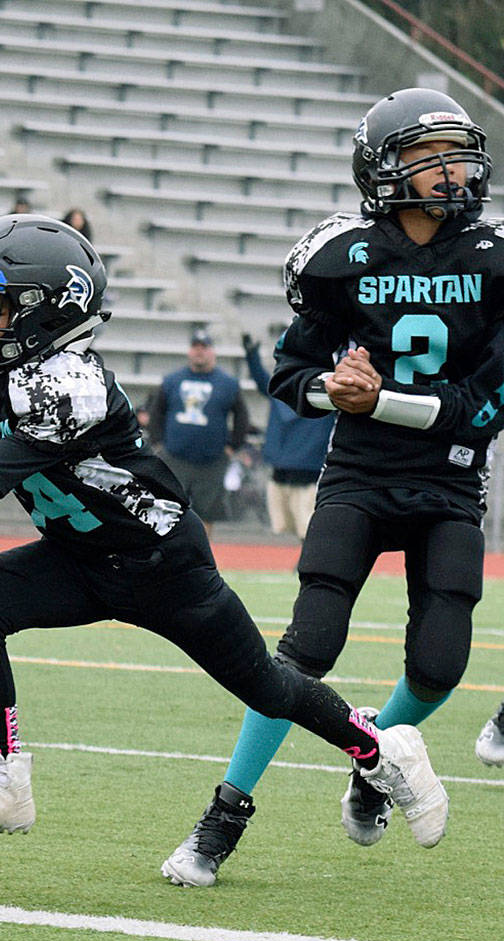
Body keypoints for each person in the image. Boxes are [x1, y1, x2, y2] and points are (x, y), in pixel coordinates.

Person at [0, 212, 446, 856]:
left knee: (268, 690)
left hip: (161, 565)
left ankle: (380, 751)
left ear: (46, 315)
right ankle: (5, 781)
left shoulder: (68, 386)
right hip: (81, 556)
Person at [163, 87, 503, 887]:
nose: (451, 169)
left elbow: (482, 407)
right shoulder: (341, 256)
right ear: (382, 168)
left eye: (456, 152)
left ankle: (372, 762)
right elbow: (290, 374)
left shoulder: (493, 257)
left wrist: (377, 398)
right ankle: (224, 814)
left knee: (441, 664)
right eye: (428, 156)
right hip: (360, 474)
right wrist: (332, 388)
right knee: (305, 648)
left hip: (451, 480)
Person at [149, 329, 248, 535]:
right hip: (175, 458)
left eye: (204, 347)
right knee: (168, 510)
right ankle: (169, 552)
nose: (199, 351)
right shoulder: (172, 380)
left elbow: (241, 417)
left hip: (211, 461)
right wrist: (158, 443)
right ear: (189, 351)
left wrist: (233, 446)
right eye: (195, 347)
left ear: (213, 351)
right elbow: (156, 412)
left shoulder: (228, 384)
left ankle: (201, 552)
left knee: (206, 514)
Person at [242, 324, 332, 539]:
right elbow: (262, 380)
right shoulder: (283, 388)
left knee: (306, 525)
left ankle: (308, 555)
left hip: (307, 470)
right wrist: (252, 356)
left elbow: (263, 381)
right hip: (285, 469)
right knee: (291, 525)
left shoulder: (322, 389)